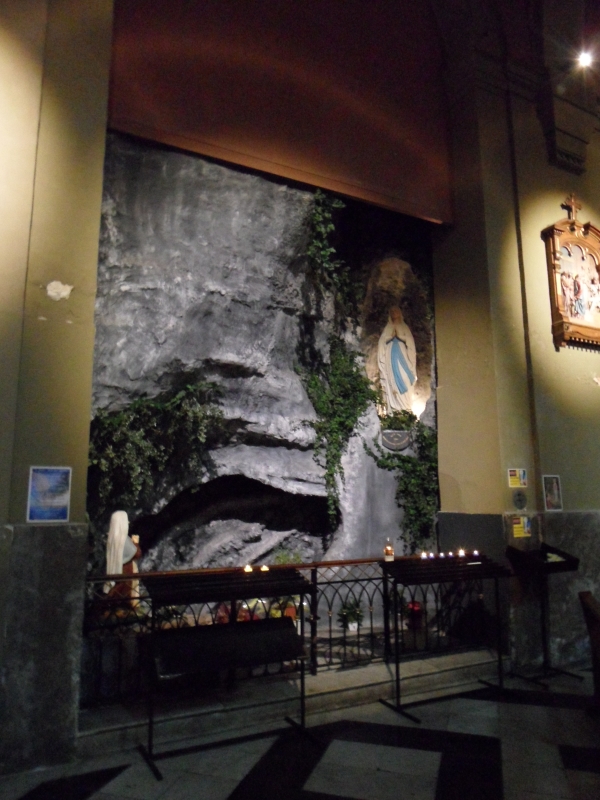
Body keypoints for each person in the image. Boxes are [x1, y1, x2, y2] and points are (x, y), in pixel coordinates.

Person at [377, 306, 417, 415]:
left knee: (405, 378)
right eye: (392, 311)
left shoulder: (404, 327)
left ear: (400, 313)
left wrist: (400, 337)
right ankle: (393, 412)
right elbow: (382, 342)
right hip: (390, 357)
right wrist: (390, 337)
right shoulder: (388, 327)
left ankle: (406, 410)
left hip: (403, 357)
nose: (394, 313)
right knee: (391, 382)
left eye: (396, 311)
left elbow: (410, 343)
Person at [103, 511, 142, 601]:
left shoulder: (111, 538)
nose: (128, 523)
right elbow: (137, 553)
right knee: (123, 594)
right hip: (125, 571)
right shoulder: (123, 539)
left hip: (116, 570)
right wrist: (135, 543)